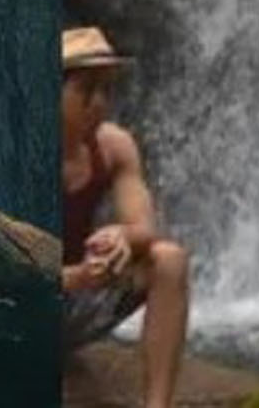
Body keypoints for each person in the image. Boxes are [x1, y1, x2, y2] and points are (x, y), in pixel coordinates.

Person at [62, 26, 189, 408]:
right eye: (86, 91)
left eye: (106, 91)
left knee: (169, 260)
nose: (99, 103)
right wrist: (73, 277)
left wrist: (123, 236)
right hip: (18, 314)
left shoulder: (114, 145)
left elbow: (144, 227)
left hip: (77, 301)